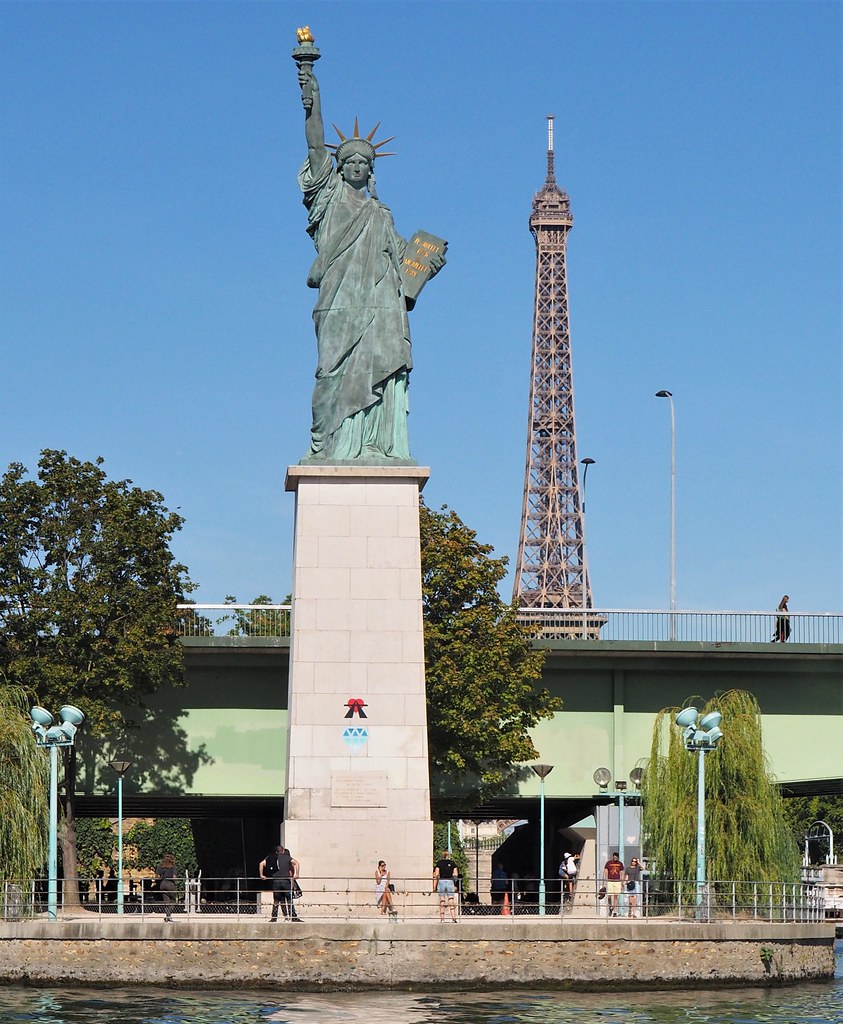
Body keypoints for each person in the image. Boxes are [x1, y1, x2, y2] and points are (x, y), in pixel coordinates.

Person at [295, 58, 445, 461]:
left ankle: (373, 444)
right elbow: (314, 143)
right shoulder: (326, 198)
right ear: (340, 169)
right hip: (339, 302)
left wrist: (426, 264)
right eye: (351, 163)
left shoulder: (381, 213)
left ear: (371, 170)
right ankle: (326, 444)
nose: (358, 167)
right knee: (330, 373)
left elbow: (402, 260)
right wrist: (312, 97)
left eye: (364, 163)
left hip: (378, 308)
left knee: (380, 367)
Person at [259, 844, 301, 923]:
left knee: (276, 900)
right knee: (289, 900)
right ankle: (293, 917)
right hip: (286, 881)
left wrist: (262, 875)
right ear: (283, 850)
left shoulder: (271, 858)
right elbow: (296, 863)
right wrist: (297, 874)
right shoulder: (287, 858)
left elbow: (261, 864)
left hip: (276, 881)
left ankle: (274, 918)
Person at [432, 848, 459, 923]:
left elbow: (436, 874)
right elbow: (456, 874)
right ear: (448, 854)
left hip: (441, 881)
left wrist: (434, 887)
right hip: (450, 881)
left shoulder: (439, 863)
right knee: (451, 899)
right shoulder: (452, 863)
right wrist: (455, 883)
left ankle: (442, 919)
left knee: (442, 900)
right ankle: (453, 918)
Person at [155, 852, 177, 922]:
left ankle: (168, 916)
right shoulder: (173, 866)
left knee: (166, 901)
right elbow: (174, 877)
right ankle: (168, 915)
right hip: (170, 884)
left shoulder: (160, 866)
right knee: (173, 901)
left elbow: (158, 877)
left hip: (162, 884)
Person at [602, 852, 624, 917]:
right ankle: (610, 907)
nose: (615, 858)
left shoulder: (620, 864)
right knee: (609, 896)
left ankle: (615, 911)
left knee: (616, 897)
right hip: (610, 881)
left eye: (616, 857)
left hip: (617, 881)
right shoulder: (608, 863)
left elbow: (622, 873)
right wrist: (604, 883)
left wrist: (621, 883)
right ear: (613, 856)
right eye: (614, 856)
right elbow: (605, 872)